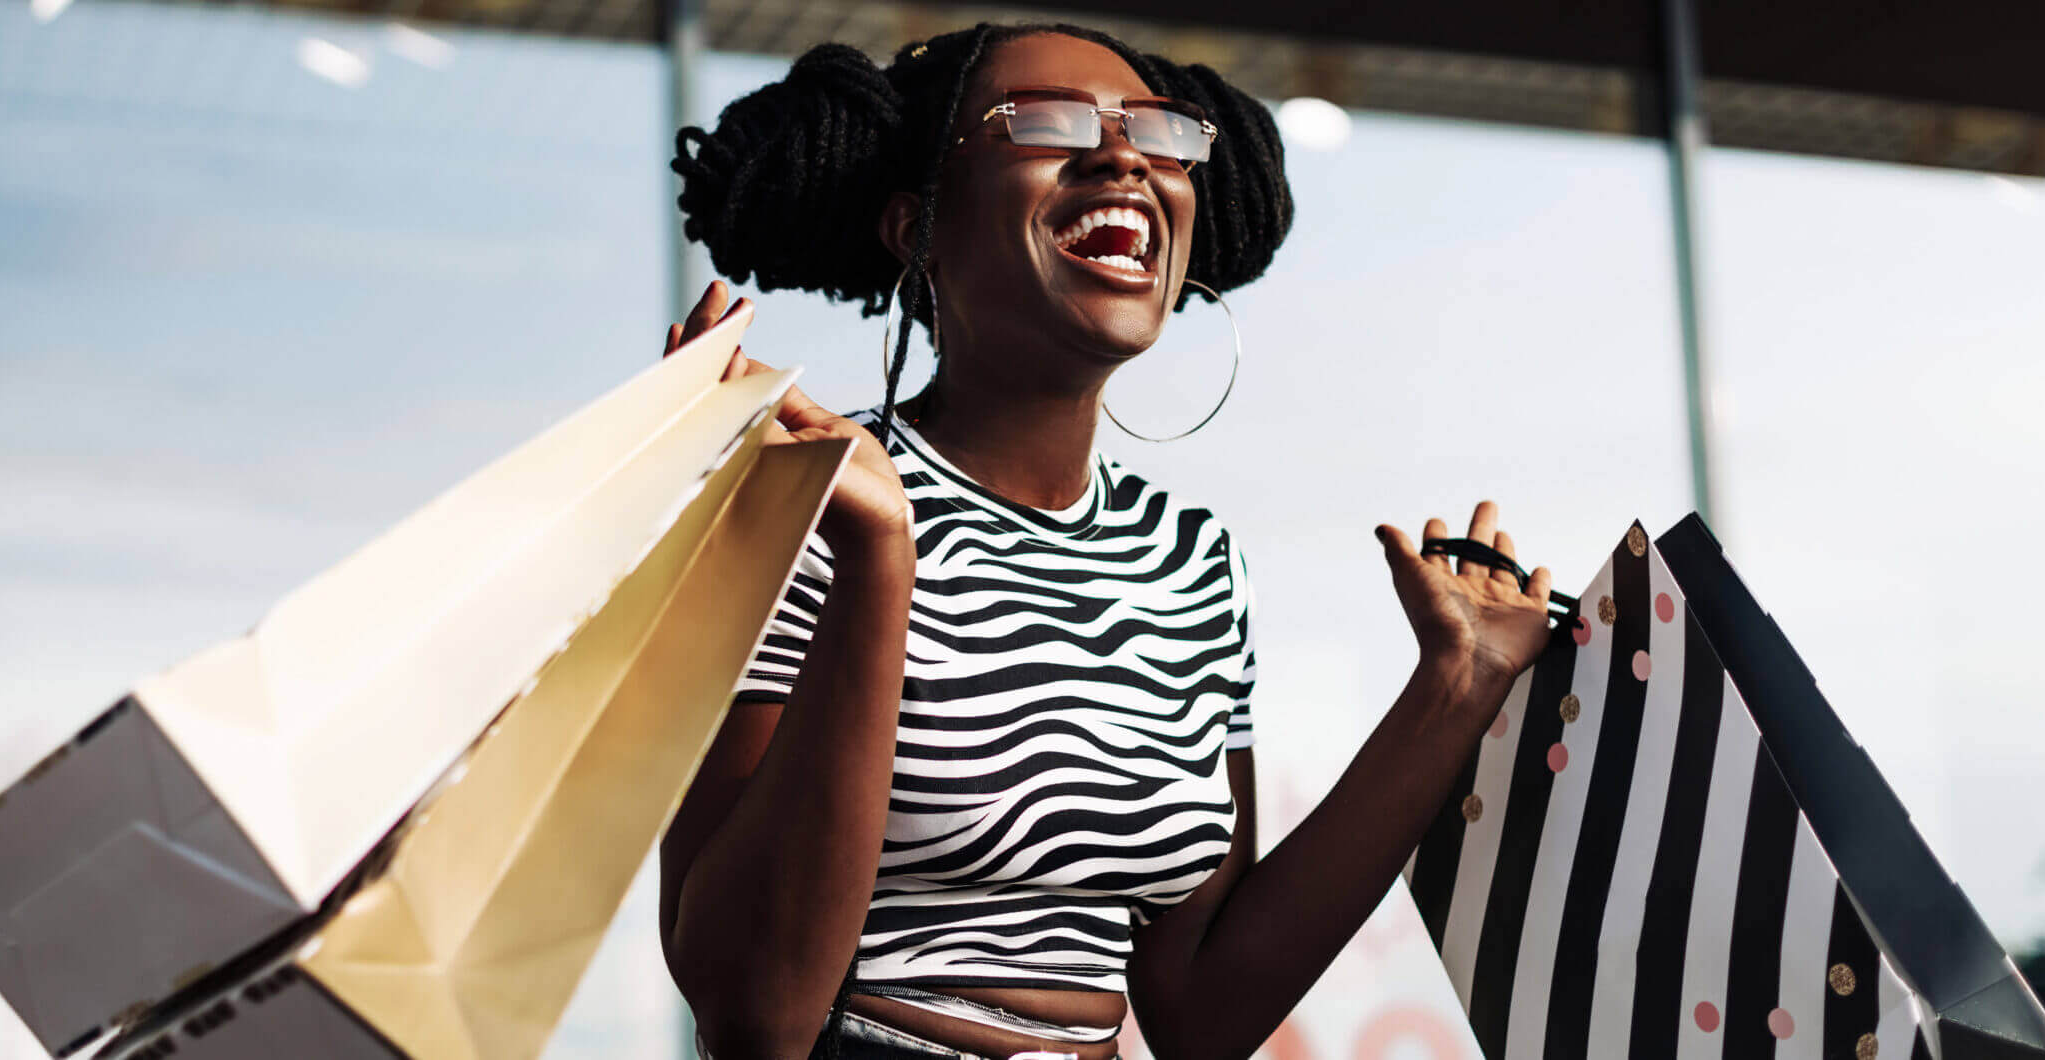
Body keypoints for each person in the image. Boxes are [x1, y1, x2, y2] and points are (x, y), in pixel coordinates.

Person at [654, 22, 1556, 1060]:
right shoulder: (801, 500)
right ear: (918, 229)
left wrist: (1454, 685)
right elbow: (751, 1016)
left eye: (1160, 134)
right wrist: (878, 560)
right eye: (1045, 122)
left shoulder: (1190, 560)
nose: (1123, 155)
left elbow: (1199, 1009)